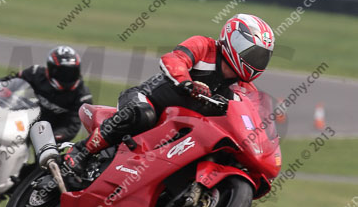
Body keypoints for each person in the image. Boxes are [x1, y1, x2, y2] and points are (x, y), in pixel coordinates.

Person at [65, 14, 274, 174]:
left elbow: (252, 119)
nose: (256, 61)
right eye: (253, 53)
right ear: (234, 40)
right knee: (141, 114)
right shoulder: (204, 46)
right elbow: (173, 59)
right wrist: (187, 83)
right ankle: (80, 152)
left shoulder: (244, 89)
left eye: (261, 57)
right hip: (149, 99)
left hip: (181, 128)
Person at [0, 45, 92, 142]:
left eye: (71, 72)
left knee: (45, 164)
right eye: (62, 72)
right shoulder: (36, 72)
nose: (67, 76)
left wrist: (50, 137)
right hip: (20, 118)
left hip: (47, 132)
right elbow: (8, 81)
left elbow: (72, 127)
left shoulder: (82, 96)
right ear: (51, 69)